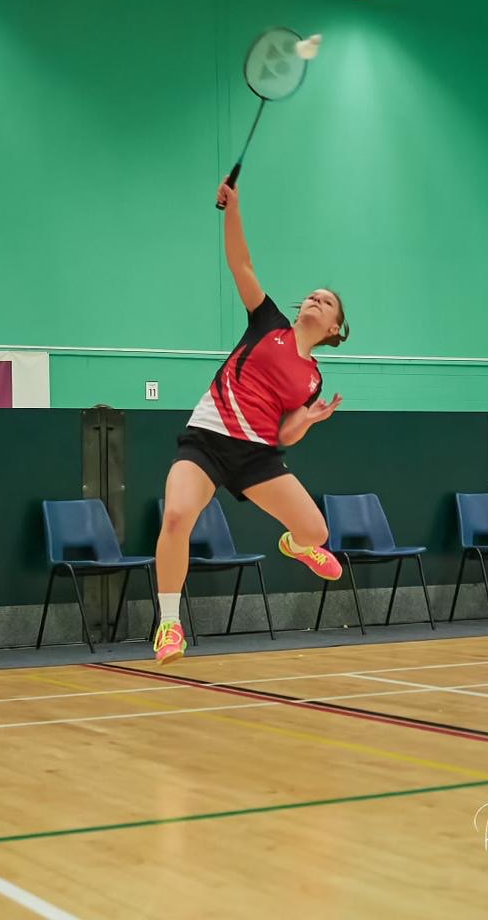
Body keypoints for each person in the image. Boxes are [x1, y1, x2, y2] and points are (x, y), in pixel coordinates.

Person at [152, 179, 350, 665]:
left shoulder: (312, 380)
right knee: (176, 516)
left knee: (317, 533)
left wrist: (308, 421)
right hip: (207, 439)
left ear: (333, 330)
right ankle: (170, 625)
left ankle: (295, 546)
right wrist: (233, 208)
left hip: (257, 455)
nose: (315, 299)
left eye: (326, 302)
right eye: (313, 295)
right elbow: (241, 263)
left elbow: (283, 435)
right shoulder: (269, 325)